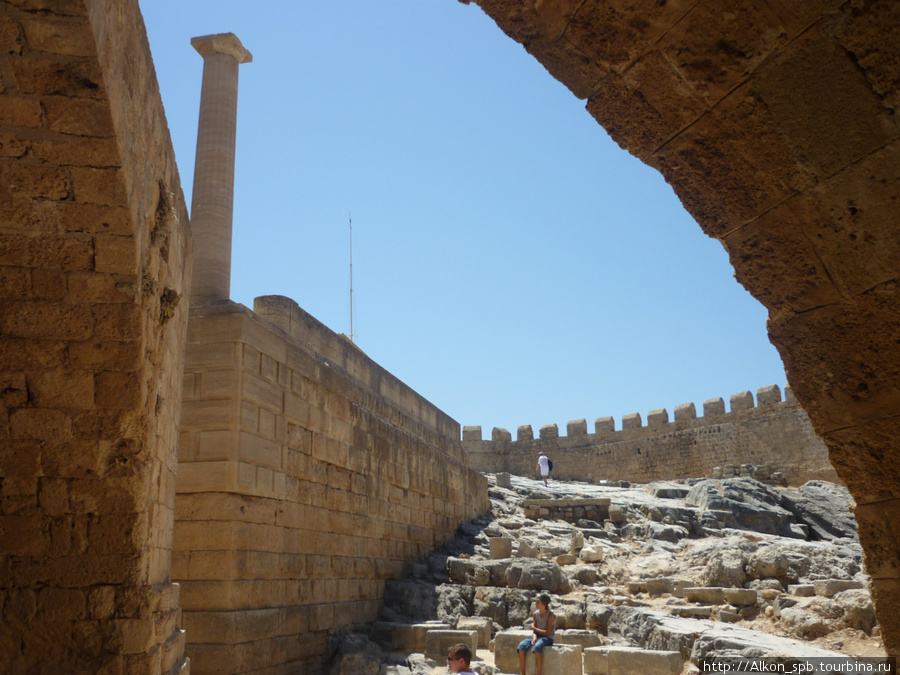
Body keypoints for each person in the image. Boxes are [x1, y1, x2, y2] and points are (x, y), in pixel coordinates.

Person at [517, 593, 556, 675]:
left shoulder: (550, 615)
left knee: (537, 647)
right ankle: (523, 673)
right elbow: (534, 632)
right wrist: (534, 638)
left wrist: (534, 628)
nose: (536, 604)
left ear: (544, 604)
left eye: (538, 602)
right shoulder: (535, 614)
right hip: (537, 636)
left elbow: (547, 633)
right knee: (521, 646)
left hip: (547, 638)